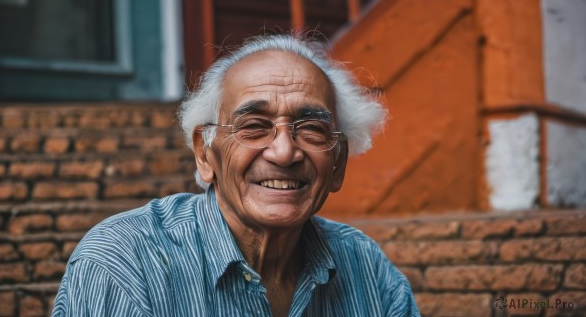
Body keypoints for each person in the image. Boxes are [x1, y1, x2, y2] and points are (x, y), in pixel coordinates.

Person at [52, 34, 419, 316]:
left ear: (337, 163)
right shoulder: (126, 263)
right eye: (254, 126)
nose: (284, 151)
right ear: (204, 153)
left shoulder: (367, 269)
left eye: (311, 129)